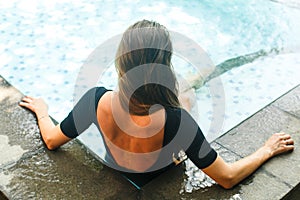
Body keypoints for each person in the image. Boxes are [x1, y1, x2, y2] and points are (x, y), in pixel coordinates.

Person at [19, 20, 294, 189]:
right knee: (185, 95)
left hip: (118, 168)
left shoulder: (95, 100)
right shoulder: (177, 121)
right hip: (162, 171)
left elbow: (53, 140)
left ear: (121, 60)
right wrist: (266, 150)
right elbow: (227, 178)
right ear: (164, 64)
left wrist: (43, 113)